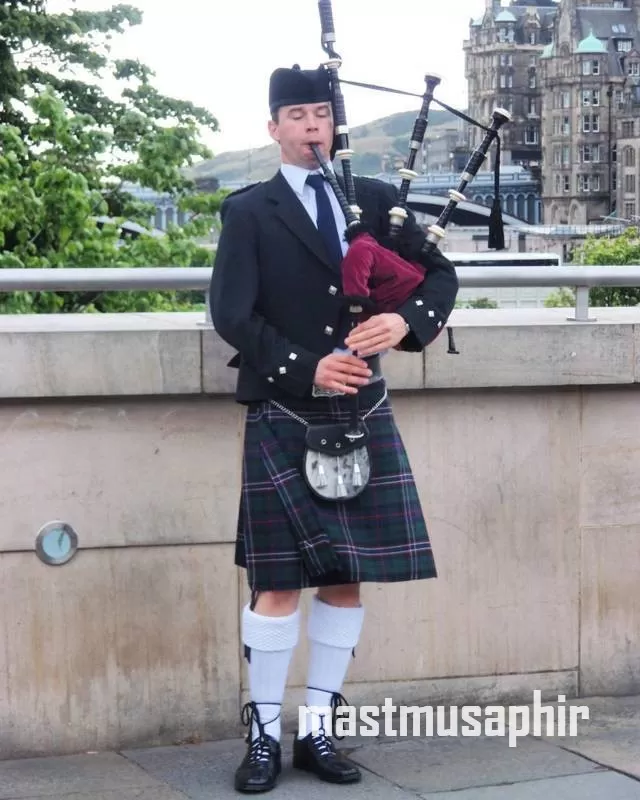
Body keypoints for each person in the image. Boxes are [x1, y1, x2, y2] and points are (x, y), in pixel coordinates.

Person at [209, 63, 459, 794]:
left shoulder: (376, 201)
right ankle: (262, 736)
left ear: (334, 124)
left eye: (322, 113)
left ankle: (318, 729)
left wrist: (405, 322)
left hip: (362, 412)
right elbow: (231, 315)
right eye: (298, 115)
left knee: (346, 581)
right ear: (274, 129)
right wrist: (305, 367)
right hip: (287, 410)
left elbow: (439, 278)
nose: (312, 126)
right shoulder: (249, 212)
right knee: (277, 586)